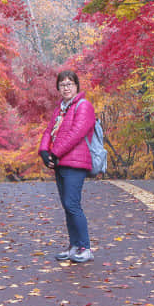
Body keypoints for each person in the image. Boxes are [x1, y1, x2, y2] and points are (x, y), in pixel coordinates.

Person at [39, 70, 96, 263]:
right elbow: (49, 131)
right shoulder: (60, 109)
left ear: (77, 86)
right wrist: (44, 151)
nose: (66, 87)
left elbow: (77, 132)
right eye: (62, 84)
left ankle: (85, 247)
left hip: (76, 162)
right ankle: (73, 246)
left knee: (72, 204)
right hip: (61, 162)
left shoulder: (83, 106)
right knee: (67, 206)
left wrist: (55, 152)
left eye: (70, 84)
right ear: (58, 88)